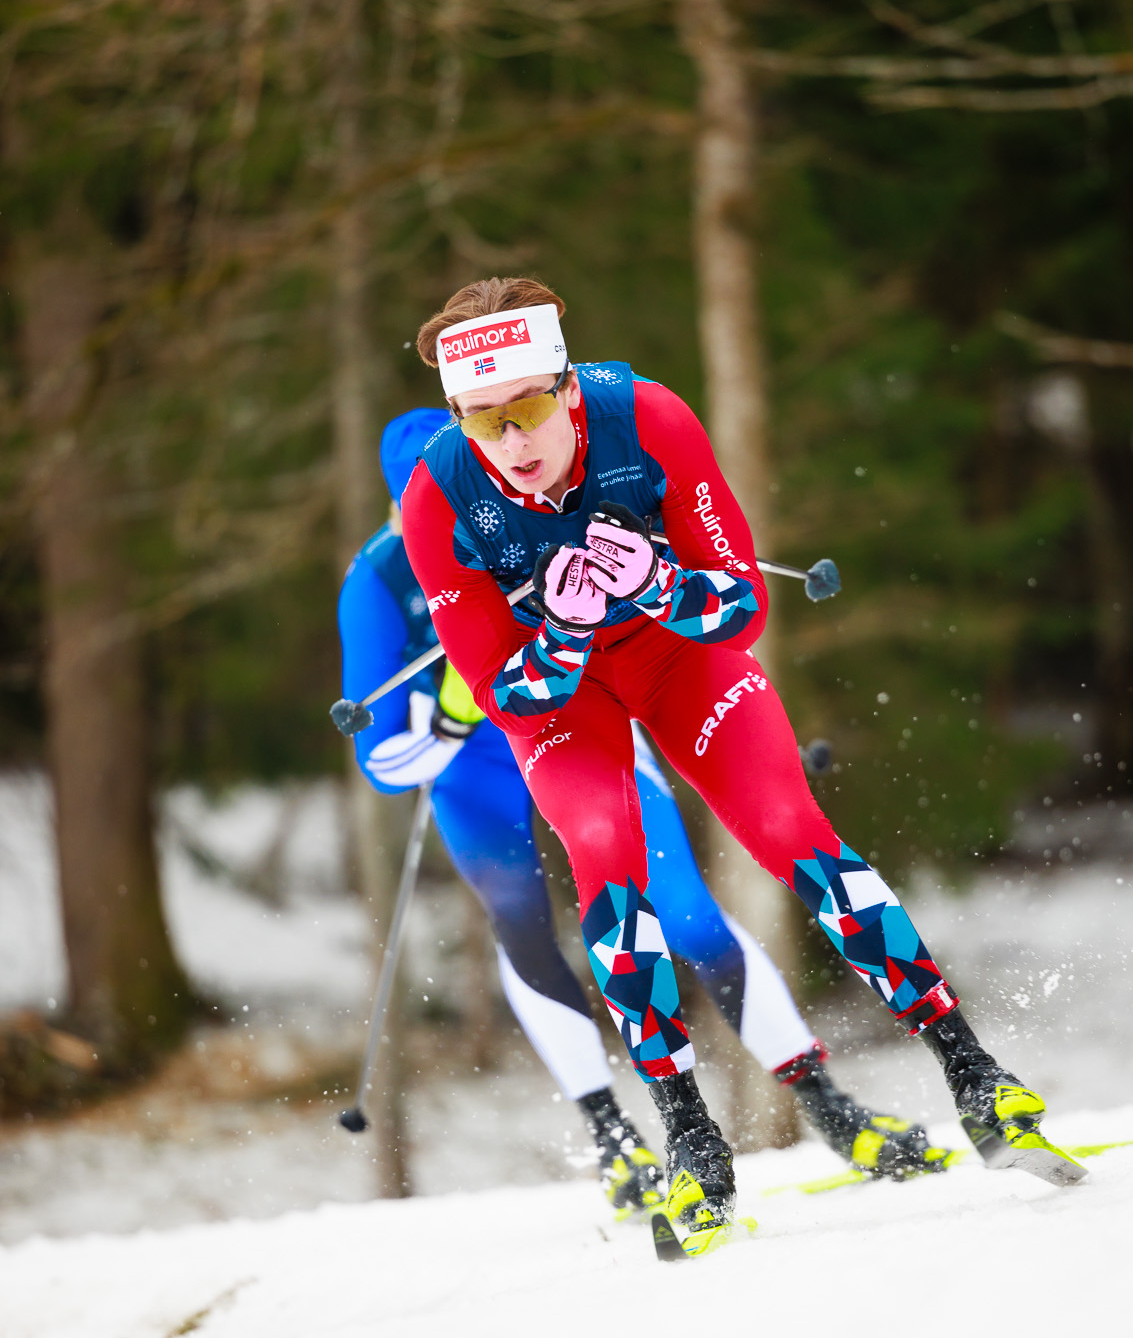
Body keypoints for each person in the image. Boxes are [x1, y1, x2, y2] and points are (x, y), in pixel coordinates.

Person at [402, 277, 1084, 1250]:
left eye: (528, 408)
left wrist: (656, 583)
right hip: (568, 696)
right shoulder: (438, 494)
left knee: (791, 831)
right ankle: (690, 1138)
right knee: (605, 862)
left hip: (677, 657)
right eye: (482, 419)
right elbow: (505, 694)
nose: (512, 441)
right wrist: (563, 630)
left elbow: (740, 609)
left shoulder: (647, 417)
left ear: (566, 385)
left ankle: (975, 1075)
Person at [340, 410, 953, 1219]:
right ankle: (616, 1142)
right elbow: (383, 763)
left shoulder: (538, 503)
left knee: (687, 915)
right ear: (401, 509)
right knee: (522, 922)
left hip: (579, 724)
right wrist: (453, 713)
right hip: (473, 765)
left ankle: (831, 1108)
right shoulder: (378, 580)